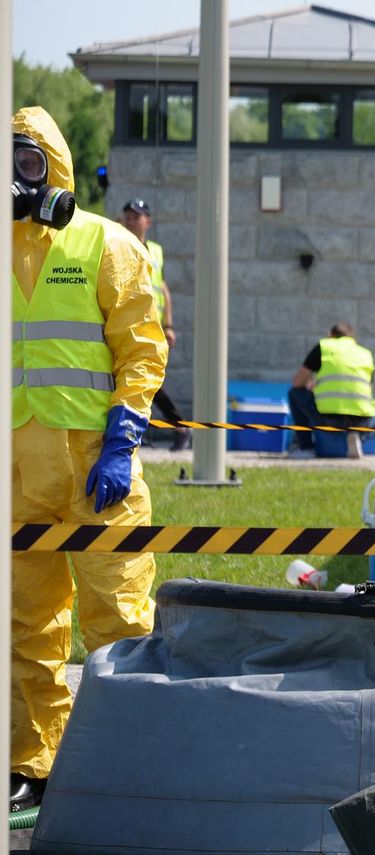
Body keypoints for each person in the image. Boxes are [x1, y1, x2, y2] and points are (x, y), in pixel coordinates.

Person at [10, 106, 168, 811]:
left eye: (30, 162)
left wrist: (122, 441)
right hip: (17, 473)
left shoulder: (105, 244)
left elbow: (142, 350)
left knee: (120, 618)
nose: (19, 178)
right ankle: (34, 763)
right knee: (25, 624)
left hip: (97, 467)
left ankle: (132, 760)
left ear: (56, 167)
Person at [119, 197, 191, 451]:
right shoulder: (118, 245)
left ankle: (179, 427)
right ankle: (172, 428)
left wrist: (169, 325)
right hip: (130, 324)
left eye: (135, 216)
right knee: (142, 379)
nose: (130, 221)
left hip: (154, 327)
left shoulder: (156, 251)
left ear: (147, 221)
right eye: (127, 216)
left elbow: (163, 289)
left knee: (150, 380)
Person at [288, 322, 375, 458]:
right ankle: (358, 437)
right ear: (352, 338)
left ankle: (306, 447)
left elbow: (297, 382)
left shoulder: (324, 347)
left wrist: (314, 386)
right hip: (362, 421)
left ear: (330, 335)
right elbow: (369, 389)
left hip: (329, 419)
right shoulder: (365, 353)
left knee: (295, 393)